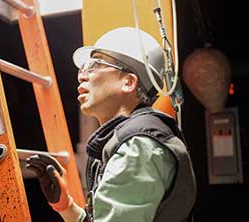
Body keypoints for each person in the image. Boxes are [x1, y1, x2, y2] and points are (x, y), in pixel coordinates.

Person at [25, 27, 196, 222]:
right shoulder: (129, 139)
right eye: (84, 67)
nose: (82, 75)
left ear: (128, 82)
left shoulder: (138, 146)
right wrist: (66, 206)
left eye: (95, 64)